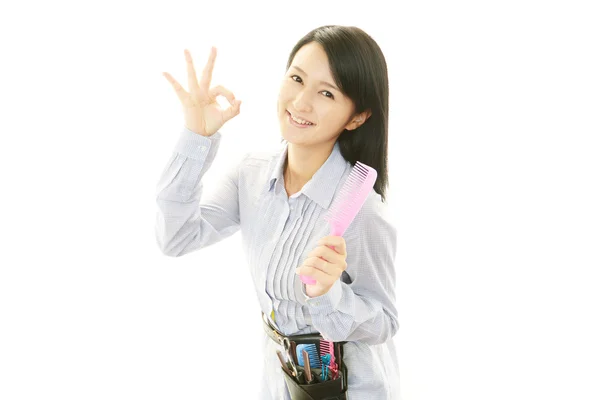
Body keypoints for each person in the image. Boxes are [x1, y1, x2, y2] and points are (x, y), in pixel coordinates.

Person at [156, 25, 400, 400]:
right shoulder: (250, 175)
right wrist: (196, 138)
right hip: (281, 379)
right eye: (297, 78)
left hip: (352, 388)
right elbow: (176, 237)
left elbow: (384, 322)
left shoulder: (362, 210)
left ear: (356, 117)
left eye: (326, 93)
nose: (301, 102)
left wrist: (328, 294)